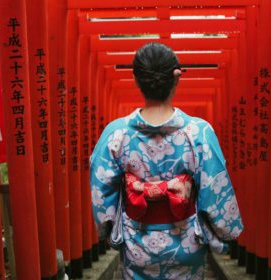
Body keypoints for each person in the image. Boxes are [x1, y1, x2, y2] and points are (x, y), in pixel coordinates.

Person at [90, 42, 243, 280]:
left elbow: (101, 192)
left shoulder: (116, 133)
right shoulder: (198, 132)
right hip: (187, 244)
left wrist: (109, 232)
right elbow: (216, 188)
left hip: (136, 245)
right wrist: (224, 232)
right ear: (177, 76)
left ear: (136, 79)